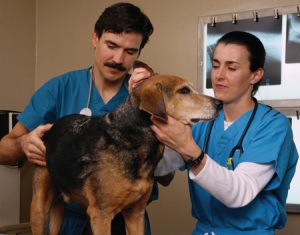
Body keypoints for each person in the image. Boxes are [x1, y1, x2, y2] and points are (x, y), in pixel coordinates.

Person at [0, 2, 174, 235]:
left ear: (139, 54)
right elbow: (3, 150)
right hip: (68, 222)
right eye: (111, 45)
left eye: (130, 51)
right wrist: (23, 143)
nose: (118, 58)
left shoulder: (145, 99)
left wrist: (153, 93)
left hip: (126, 222)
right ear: (95, 38)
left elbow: (166, 176)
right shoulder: (60, 89)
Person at [149, 31, 299, 234]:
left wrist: (189, 149)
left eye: (231, 67)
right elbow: (159, 168)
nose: (219, 75)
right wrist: (148, 100)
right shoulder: (200, 122)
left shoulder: (273, 126)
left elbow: (240, 193)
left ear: (255, 75)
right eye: (216, 64)